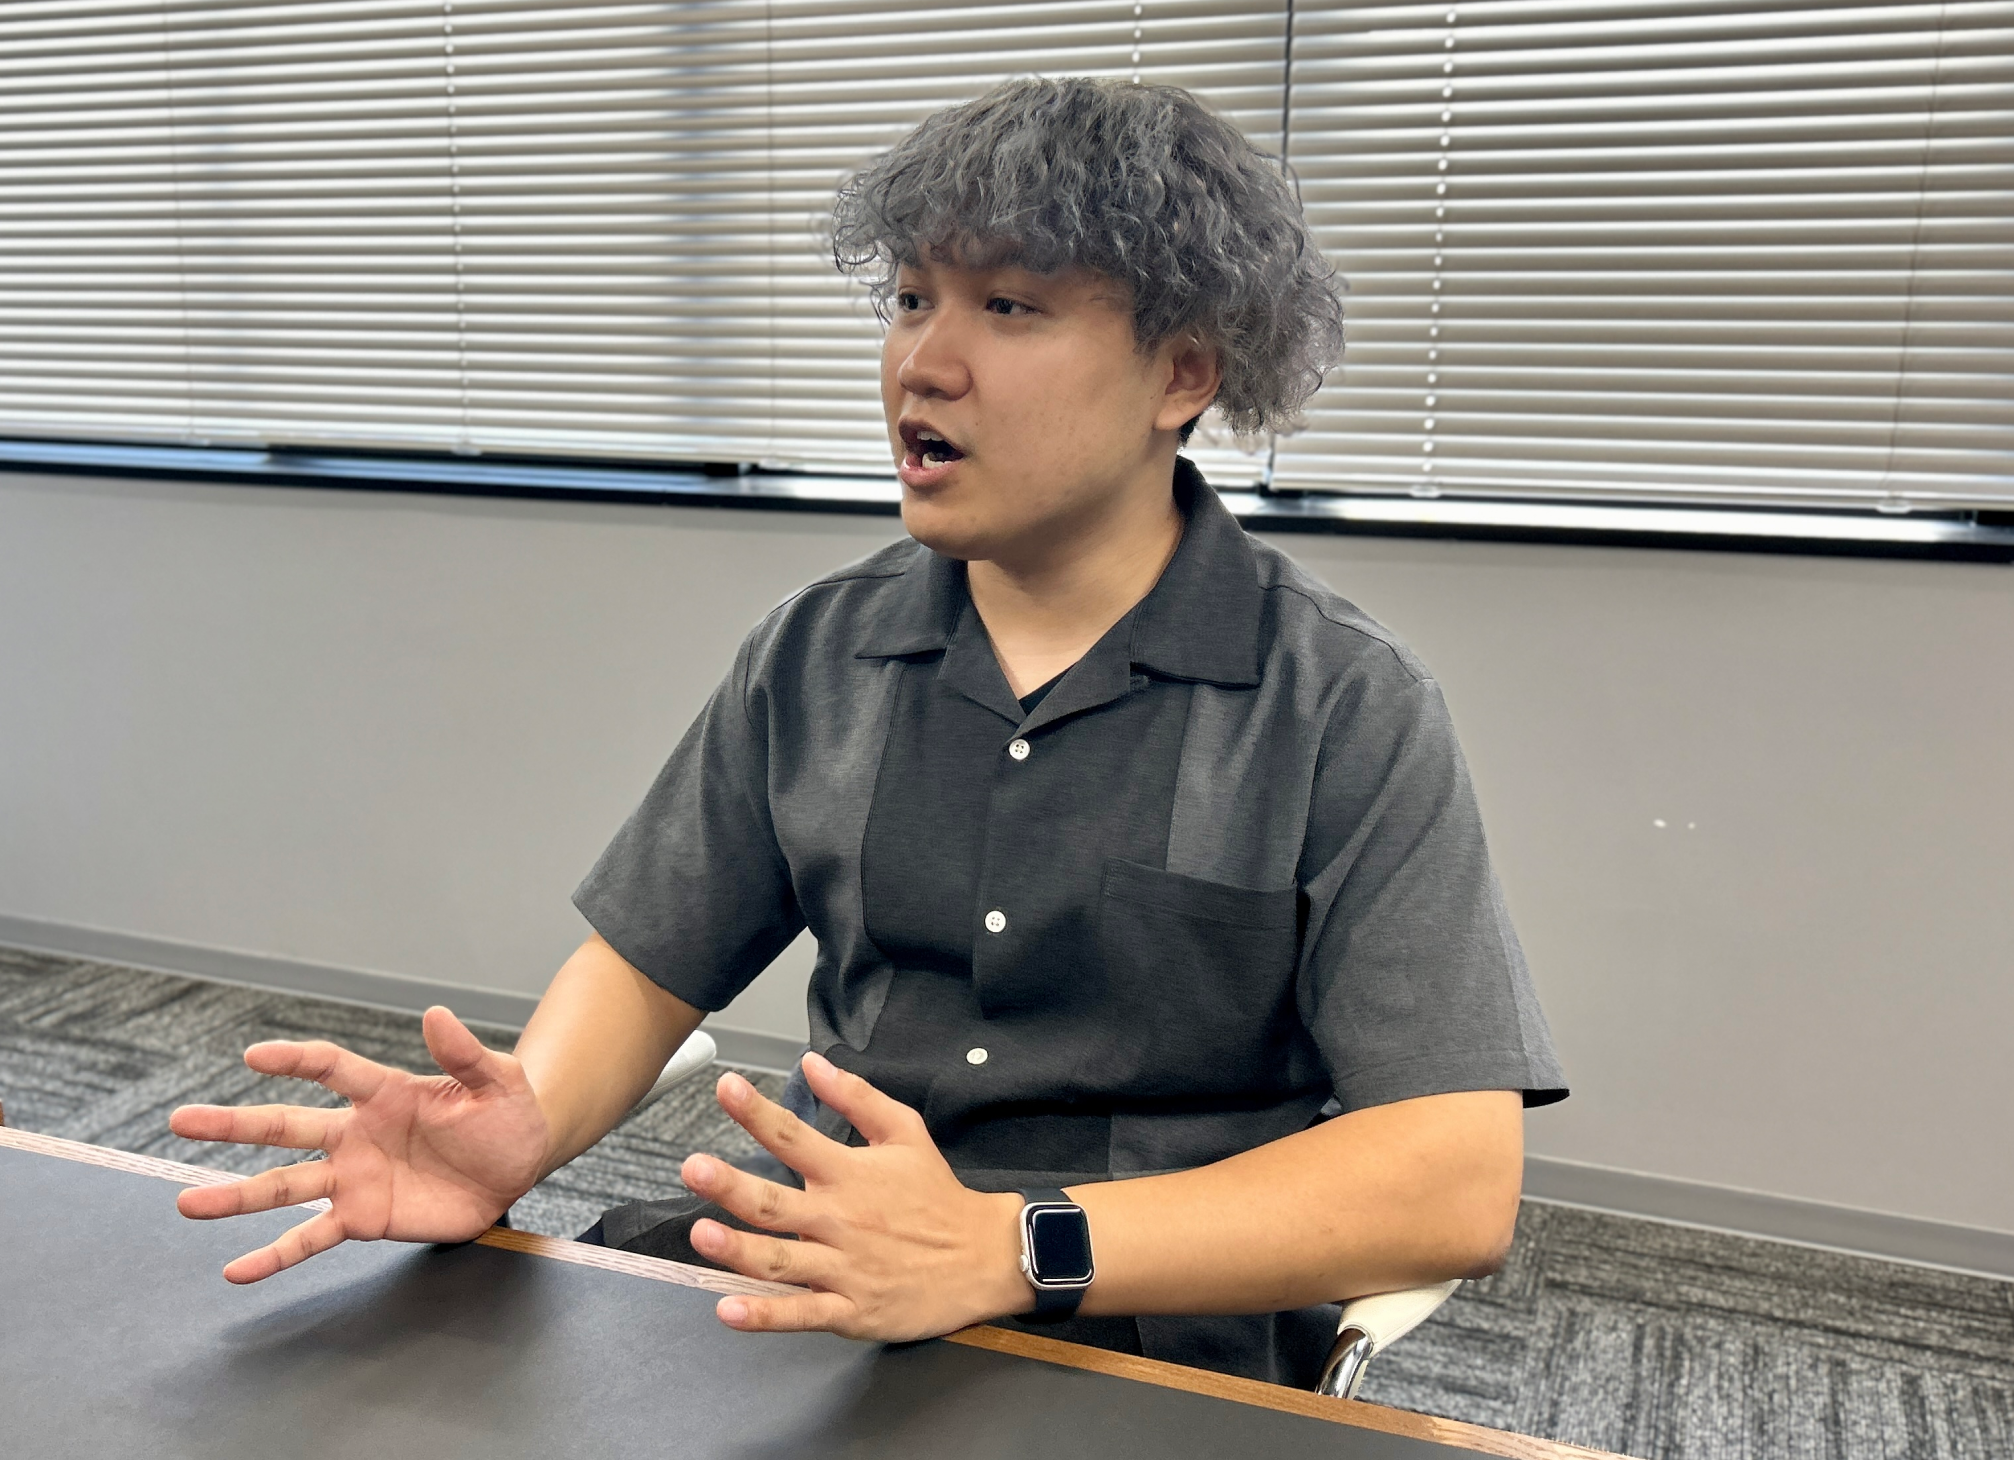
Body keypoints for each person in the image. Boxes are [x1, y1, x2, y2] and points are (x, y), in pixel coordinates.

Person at [169, 76, 1566, 1387]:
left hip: (1143, 1338)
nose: (923, 362)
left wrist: (1010, 1246)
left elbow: (1450, 1183)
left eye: (1009, 307)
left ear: (1181, 374)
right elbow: (650, 962)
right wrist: (523, 1123)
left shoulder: (1340, 704)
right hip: (815, 1273)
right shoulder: (817, 652)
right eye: (909, 300)